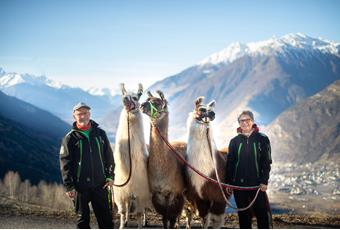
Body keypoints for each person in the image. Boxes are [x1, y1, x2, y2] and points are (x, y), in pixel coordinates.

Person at [60, 102, 114, 228]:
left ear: (89, 114)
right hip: (80, 187)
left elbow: (109, 157)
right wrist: (69, 186)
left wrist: (110, 176)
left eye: (85, 113)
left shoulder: (100, 134)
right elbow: (65, 163)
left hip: (101, 185)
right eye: (79, 114)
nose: (82, 116)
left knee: (106, 220)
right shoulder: (70, 138)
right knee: (82, 221)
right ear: (74, 116)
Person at [225, 110, 272, 229]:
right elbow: (230, 163)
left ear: (252, 121)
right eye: (242, 120)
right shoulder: (234, 142)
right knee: (243, 216)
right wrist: (228, 182)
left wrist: (264, 181)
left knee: (262, 214)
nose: (245, 122)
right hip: (239, 187)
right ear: (239, 123)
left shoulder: (262, 139)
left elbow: (266, 162)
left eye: (247, 120)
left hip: (257, 186)